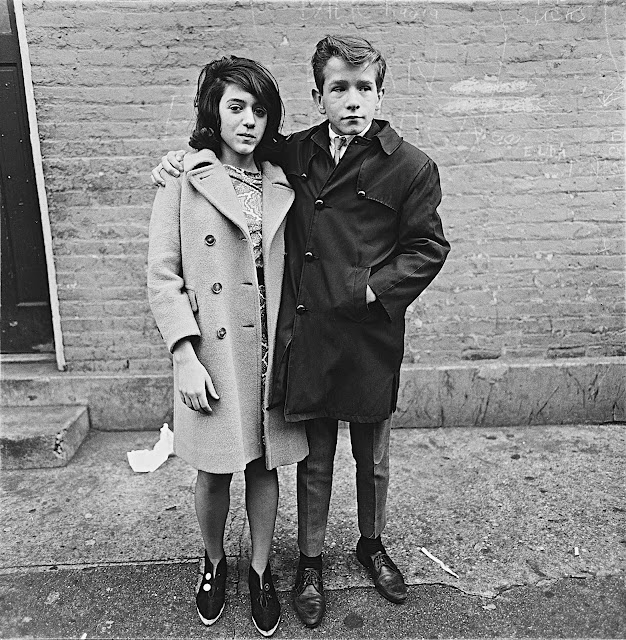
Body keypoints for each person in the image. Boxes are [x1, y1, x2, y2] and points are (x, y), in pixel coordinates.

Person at [152, 35, 450, 628]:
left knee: (373, 455)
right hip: (305, 334)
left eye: (364, 88)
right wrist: (179, 160)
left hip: (368, 334)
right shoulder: (296, 153)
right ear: (318, 96)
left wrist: (373, 290)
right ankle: (307, 561)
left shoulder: (411, 165)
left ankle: (372, 543)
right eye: (338, 88)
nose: (353, 101)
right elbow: (223, 168)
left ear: (380, 94)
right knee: (312, 457)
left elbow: (428, 246)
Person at [147, 55, 308, 637]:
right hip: (212, 353)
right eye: (236, 106)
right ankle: (213, 563)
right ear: (212, 110)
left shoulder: (283, 179)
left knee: (266, 467)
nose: (249, 121)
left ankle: (260, 571)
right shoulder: (184, 180)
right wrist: (183, 355)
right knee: (216, 470)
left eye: (260, 110)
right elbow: (163, 275)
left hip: (271, 349)